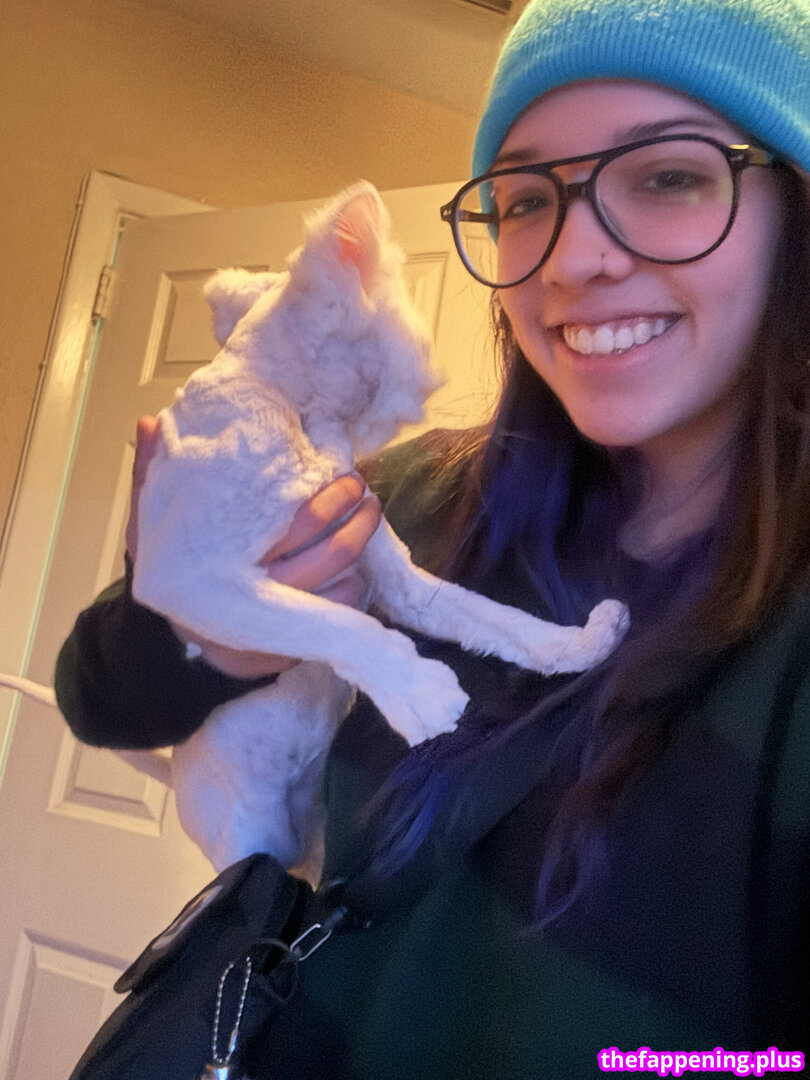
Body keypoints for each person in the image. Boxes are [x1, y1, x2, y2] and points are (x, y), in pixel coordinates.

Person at [57, 0, 810, 1074]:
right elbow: (96, 693)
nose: (573, 259)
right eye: (526, 199)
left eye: (668, 177)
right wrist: (210, 632)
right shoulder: (407, 498)